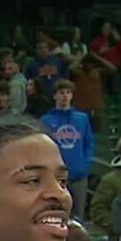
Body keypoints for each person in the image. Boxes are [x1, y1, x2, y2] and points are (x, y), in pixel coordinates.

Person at [40, 79, 94, 220]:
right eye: (61, 92)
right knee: (57, 215)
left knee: (78, 218)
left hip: (79, 176)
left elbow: (89, 143)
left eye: (68, 92)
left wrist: (85, 165)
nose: (65, 96)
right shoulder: (46, 120)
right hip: (56, 177)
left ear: (72, 95)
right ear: (55, 96)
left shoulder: (82, 118)